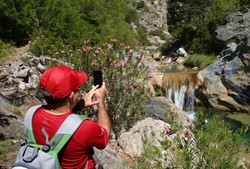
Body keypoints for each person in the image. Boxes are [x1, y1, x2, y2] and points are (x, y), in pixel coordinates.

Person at [31, 65, 111, 168]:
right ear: (71, 96)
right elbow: (104, 139)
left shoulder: (32, 112)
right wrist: (101, 102)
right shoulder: (85, 127)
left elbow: (58, 116)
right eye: (78, 89)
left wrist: (78, 105)